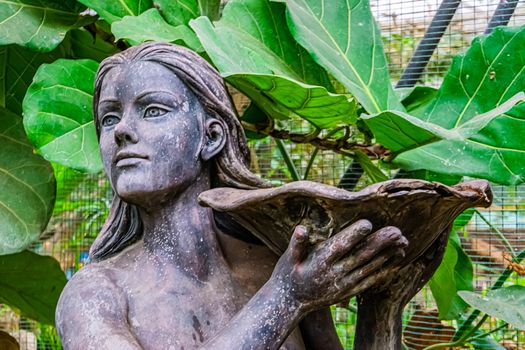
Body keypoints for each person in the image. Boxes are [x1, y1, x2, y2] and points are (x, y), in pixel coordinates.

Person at [55, 42, 408, 350]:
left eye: (153, 110)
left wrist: (383, 303)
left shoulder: (280, 264)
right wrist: (286, 298)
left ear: (210, 137)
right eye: (109, 117)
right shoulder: (93, 294)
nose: (122, 131)